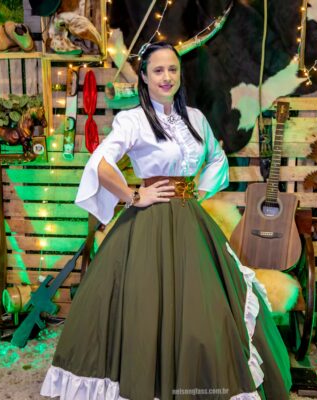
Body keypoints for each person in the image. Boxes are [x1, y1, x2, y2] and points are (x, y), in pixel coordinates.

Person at [40, 41, 291, 399]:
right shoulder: (133, 120)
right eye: (158, 70)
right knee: (144, 307)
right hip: (149, 225)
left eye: (172, 69)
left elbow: (216, 158)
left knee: (206, 309)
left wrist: (199, 191)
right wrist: (134, 196)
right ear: (143, 77)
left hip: (191, 223)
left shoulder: (196, 118)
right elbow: (100, 164)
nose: (167, 77)